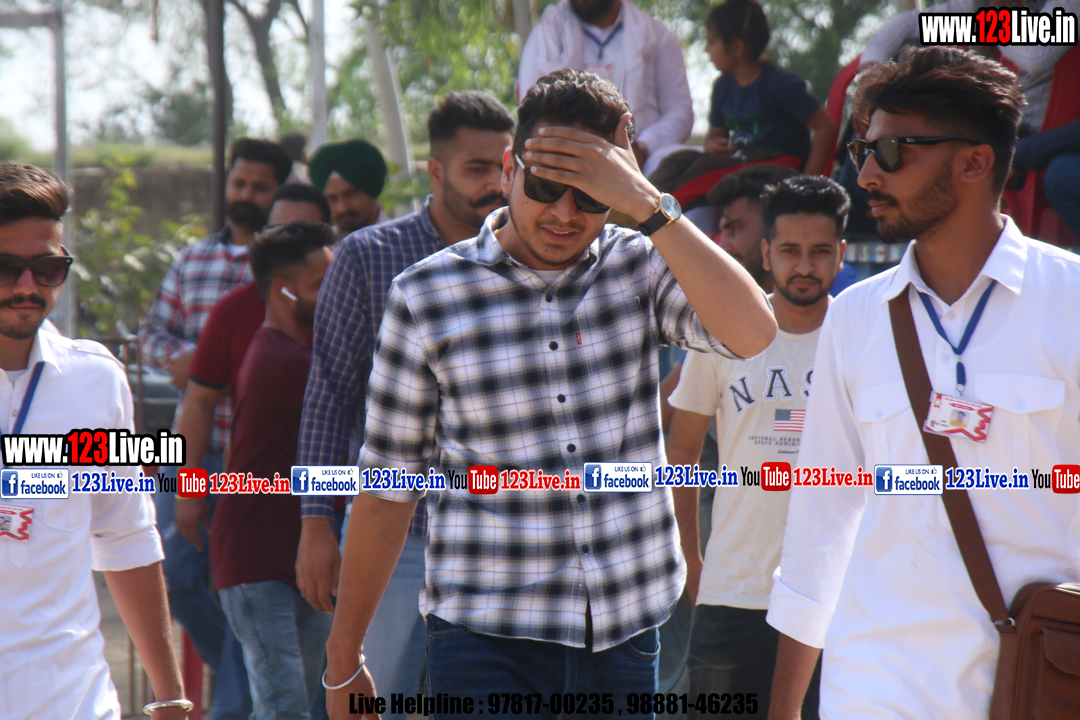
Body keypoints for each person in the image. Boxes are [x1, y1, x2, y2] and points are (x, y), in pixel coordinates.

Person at [321, 68, 777, 719]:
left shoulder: (641, 263)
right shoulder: (426, 297)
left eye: (590, 196)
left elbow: (754, 332)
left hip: (625, 629)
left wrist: (650, 204)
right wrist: (344, 659)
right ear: (510, 169)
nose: (564, 214)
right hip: (485, 635)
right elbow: (387, 488)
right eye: (544, 187)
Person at [766, 47, 1080, 720]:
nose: (867, 175)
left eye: (893, 151)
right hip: (873, 690)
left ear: (974, 162)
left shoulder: (1071, 300)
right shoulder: (854, 316)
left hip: (1038, 688)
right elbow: (820, 520)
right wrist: (784, 708)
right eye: (863, 151)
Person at [296, 91, 514, 720]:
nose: (495, 182)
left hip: (498, 536)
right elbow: (330, 394)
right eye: (477, 167)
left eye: (504, 166)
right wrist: (315, 522)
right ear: (436, 171)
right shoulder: (367, 255)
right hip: (392, 537)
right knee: (368, 698)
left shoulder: (530, 257)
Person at [0, 164, 188, 720]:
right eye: (6, 268)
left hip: (73, 702)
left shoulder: (95, 379)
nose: (27, 287)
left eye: (47, 268)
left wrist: (170, 697)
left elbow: (125, 537)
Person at [668, 175, 850, 719]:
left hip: (837, 597)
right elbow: (680, 456)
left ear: (842, 253)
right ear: (766, 253)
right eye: (790, 251)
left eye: (820, 252)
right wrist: (692, 562)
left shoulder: (863, 335)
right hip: (734, 591)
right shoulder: (723, 333)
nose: (805, 265)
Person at [139, 137, 292, 720]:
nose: (246, 194)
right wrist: (184, 359)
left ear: (277, 193)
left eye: (259, 186)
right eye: (239, 183)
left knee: (242, 585)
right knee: (173, 574)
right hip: (192, 448)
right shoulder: (192, 260)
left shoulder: (286, 271)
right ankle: (236, 661)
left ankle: (231, 703)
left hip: (257, 460)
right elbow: (152, 333)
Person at [212, 221, 336, 720]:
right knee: (285, 709)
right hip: (256, 563)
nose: (336, 295)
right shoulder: (287, 362)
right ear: (284, 290)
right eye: (323, 284)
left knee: (292, 705)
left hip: (295, 558)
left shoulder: (289, 353)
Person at [174, 183, 332, 548]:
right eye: (278, 231)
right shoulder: (234, 311)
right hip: (245, 486)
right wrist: (188, 490)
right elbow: (199, 401)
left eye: (302, 232)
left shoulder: (341, 307)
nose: (289, 243)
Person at [518, 0, 693, 173]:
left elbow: (679, 112)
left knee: (680, 164)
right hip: (566, 158)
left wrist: (643, 147)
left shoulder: (657, 37)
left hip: (644, 162)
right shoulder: (544, 38)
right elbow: (531, 111)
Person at [702, 0, 835, 176]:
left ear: (736, 47)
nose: (705, 49)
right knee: (680, 162)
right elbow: (715, 135)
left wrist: (807, 180)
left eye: (711, 42)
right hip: (742, 166)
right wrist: (711, 145)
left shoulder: (781, 85)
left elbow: (826, 126)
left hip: (777, 171)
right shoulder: (722, 87)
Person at [705, 163, 801, 291]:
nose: (723, 246)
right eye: (723, 230)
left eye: (735, 228)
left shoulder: (827, 298)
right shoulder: (706, 296)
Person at [308, 139, 389, 238]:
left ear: (372, 189)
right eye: (332, 199)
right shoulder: (323, 245)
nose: (343, 208)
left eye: (351, 194)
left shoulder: (402, 241)